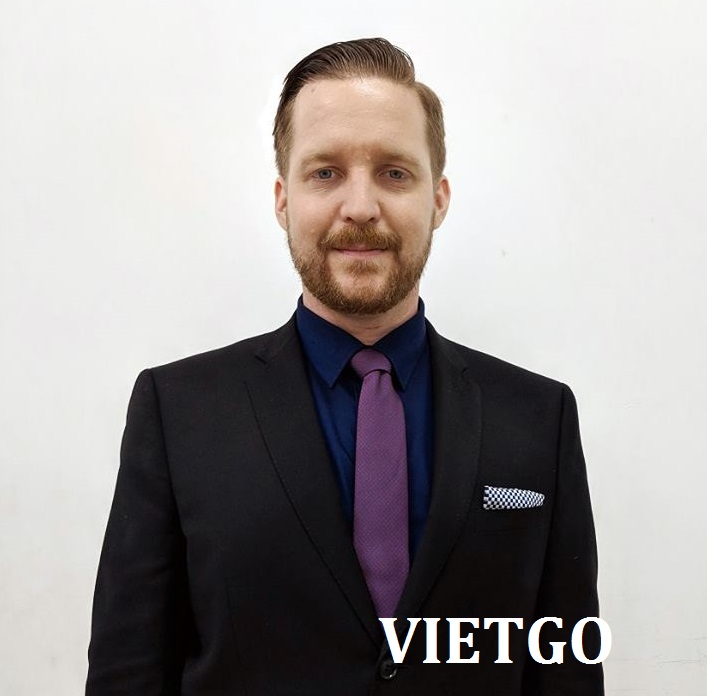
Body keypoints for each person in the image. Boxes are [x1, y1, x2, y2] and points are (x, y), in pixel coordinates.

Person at [86, 37, 604, 695]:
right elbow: (127, 673)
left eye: (394, 172)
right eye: (325, 173)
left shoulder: (538, 417)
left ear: (438, 199)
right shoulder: (177, 411)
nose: (360, 206)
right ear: (283, 199)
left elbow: (565, 666)